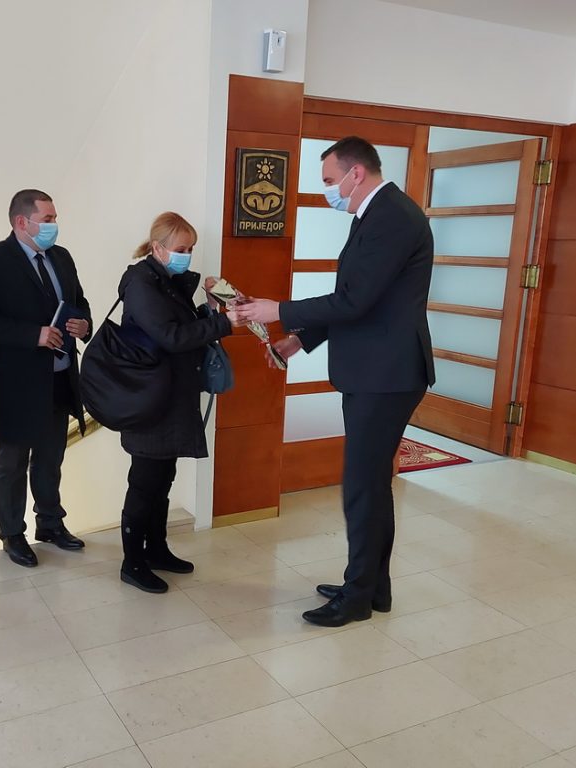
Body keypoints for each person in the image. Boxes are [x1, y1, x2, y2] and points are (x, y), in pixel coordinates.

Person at [233, 136, 435, 627]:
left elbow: (354, 302)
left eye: (329, 180)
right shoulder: (375, 214)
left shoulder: (391, 217)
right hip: (377, 370)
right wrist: (298, 340)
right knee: (371, 485)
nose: (328, 190)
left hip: (385, 374)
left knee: (362, 488)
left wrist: (278, 311)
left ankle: (357, 597)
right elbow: (356, 298)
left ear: (355, 173)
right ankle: (372, 587)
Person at [0, 189, 92, 567]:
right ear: (22, 222)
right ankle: (12, 534)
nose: (54, 225)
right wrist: (32, 335)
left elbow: (79, 301)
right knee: (13, 463)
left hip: (59, 377)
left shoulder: (62, 257)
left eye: (55, 219)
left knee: (51, 458)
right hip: (14, 385)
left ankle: (50, 523)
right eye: (47, 219)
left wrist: (83, 323)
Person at [115, 212, 234, 593]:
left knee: (163, 476)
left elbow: (182, 325)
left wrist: (212, 306)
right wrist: (224, 323)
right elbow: (170, 336)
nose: (188, 255)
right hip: (149, 398)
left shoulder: (165, 280)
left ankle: (156, 549)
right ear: (158, 248)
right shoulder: (141, 282)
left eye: (191, 249)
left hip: (170, 394)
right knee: (144, 481)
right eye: (182, 249)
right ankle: (132, 562)